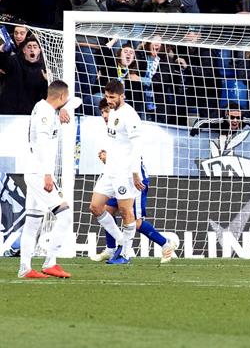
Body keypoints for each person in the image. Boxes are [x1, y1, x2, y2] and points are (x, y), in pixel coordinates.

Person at [91, 99, 177, 263]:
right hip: (116, 176)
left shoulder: (126, 121)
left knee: (134, 221)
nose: (104, 115)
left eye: (106, 111)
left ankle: (165, 244)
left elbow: (134, 151)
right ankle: (111, 249)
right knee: (106, 210)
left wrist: (117, 162)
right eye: (102, 112)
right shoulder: (112, 130)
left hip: (133, 177)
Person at [18, 80, 74, 279]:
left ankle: (25, 268)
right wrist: (48, 174)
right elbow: (42, 143)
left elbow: (73, 101)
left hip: (33, 170)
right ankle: (50, 262)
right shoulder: (45, 113)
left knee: (33, 221)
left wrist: (63, 108)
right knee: (65, 215)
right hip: (40, 172)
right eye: (65, 98)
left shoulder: (42, 107)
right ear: (60, 97)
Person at [87, 80, 146, 265]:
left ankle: (126, 254)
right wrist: (105, 150)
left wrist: (136, 172)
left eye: (112, 97)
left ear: (122, 96)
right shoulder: (112, 113)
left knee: (125, 211)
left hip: (125, 171)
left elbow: (137, 145)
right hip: (110, 170)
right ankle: (121, 241)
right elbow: (112, 138)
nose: (109, 100)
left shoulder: (130, 116)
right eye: (106, 96)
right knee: (95, 207)